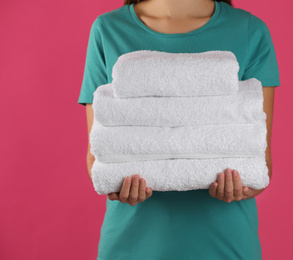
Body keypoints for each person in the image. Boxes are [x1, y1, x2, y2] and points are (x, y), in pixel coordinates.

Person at [78, 0, 280, 259]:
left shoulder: (249, 30)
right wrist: (116, 184)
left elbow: (259, 163)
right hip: (132, 245)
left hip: (226, 243)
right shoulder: (108, 29)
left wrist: (243, 187)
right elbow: (99, 156)